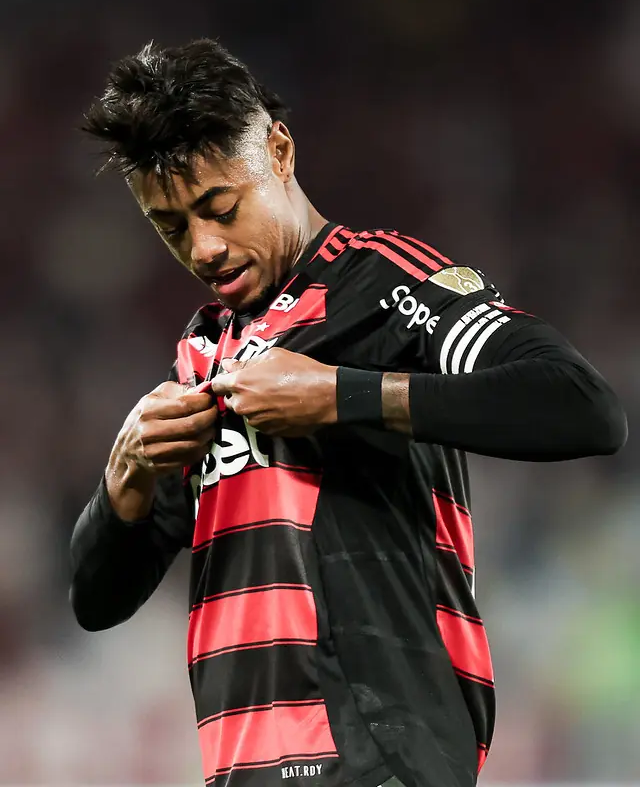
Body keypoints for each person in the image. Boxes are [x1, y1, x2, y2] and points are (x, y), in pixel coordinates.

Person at [70, 38, 627, 787]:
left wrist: (341, 394)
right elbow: (98, 601)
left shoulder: (382, 283)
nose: (204, 248)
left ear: (279, 151)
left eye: (220, 209)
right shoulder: (203, 356)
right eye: (171, 227)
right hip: (241, 767)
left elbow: (581, 404)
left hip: (378, 756)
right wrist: (127, 476)